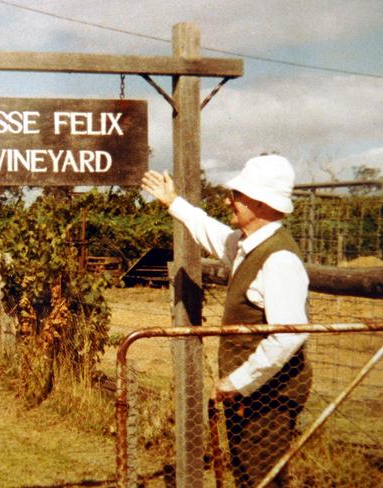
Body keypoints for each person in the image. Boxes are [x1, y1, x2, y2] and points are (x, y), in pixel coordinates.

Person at [142, 154, 312, 487]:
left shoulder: (279, 259)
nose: (228, 201)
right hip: (254, 395)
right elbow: (212, 233)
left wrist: (238, 381)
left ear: (261, 203)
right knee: (248, 475)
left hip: (271, 397)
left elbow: (289, 335)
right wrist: (174, 202)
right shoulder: (246, 246)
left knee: (261, 479)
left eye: (237, 196)